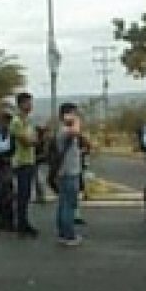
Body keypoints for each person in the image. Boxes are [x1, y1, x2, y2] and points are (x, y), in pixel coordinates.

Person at [54, 103, 87, 246]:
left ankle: (63, 233)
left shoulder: (65, 130)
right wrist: (76, 120)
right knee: (68, 205)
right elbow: (76, 131)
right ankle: (69, 235)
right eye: (73, 113)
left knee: (63, 204)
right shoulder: (65, 130)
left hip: (66, 171)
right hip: (68, 172)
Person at [11, 93, 40, 238]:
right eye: (28, 103)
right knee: (22, 195)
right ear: (21, 104)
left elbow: (34, 138)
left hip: (29, 160)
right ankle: (20, 225)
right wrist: (32, 140)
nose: (30, 105)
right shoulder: (16, 122)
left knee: (26, 194)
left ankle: (24, 222)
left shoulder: (28, 121)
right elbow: (26, 141)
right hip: (20, 162)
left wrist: (33, 139)